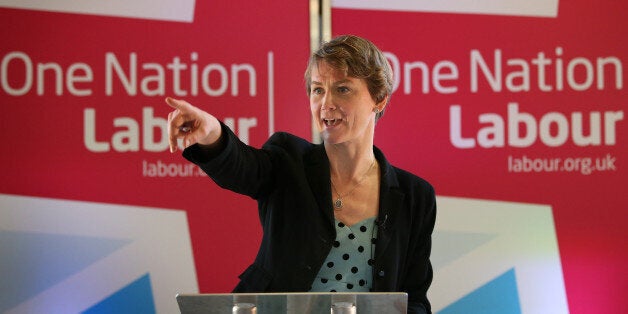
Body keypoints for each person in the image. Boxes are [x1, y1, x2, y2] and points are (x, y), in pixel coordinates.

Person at [166, 35, 436, 314]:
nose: (326, 103)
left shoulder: (415, 196)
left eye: (342, 89)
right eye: (318, 90)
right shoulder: (288, 159)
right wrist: (212, 133)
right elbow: (243, 167)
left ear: (378, 99)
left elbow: (414, 299)